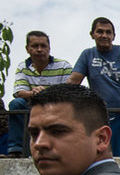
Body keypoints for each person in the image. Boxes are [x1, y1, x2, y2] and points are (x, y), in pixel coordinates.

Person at [67, 17, 120, 156]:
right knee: (112, 157)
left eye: (108, 32)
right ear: (92, 35)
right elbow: (73, 81)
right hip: (106, 116)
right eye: (100, 32)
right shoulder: (87, 55)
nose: (104, 35)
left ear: (113, 36)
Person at [6, 30, 73, 158]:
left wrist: (47, 94)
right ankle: (16, 149)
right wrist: (33, 93)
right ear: (27, 49)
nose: (39, 49)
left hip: (57, 107)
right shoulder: (23, 67)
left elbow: (70, 91)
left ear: (49, 48)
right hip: (32, 107)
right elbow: (19, 92)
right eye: (35, 46)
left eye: (43, 46)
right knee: (16, 104)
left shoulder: (63, 66)